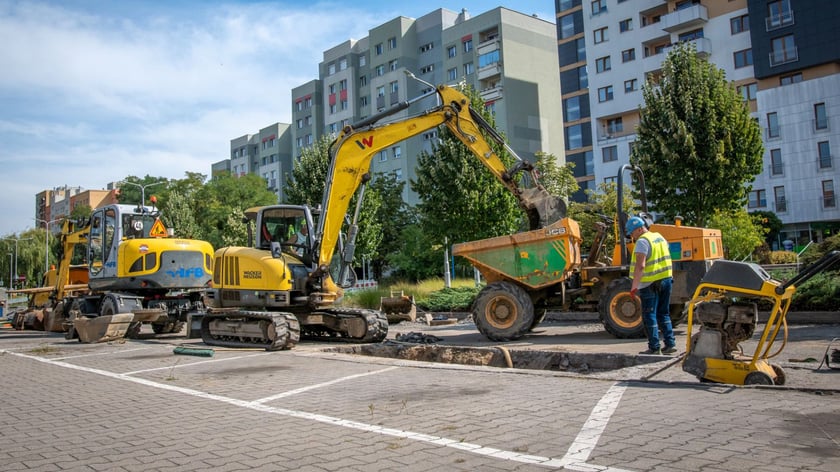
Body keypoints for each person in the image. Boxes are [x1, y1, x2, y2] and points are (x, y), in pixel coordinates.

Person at [626, 216, 676, 355]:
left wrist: (634, 286)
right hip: (666, 279)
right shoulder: (658, 237)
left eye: (632, 232)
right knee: (663, 313)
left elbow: (640, 266)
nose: (631, 236)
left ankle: (654, 347)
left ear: (639, 228)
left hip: (650, 283)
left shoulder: (642, 242)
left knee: (649, 315)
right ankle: (670, 343)